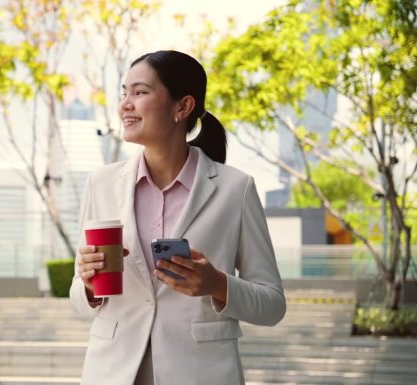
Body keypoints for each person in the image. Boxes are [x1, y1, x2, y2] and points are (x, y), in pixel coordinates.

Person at [69, 50, 286, 385]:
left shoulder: (235, 189)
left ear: (182, 107)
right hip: (113, 372)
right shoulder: (101, 184)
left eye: (140, 92)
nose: (126, 103)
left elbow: (272, 305)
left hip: (201, 373)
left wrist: (217, 284)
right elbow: (80, 304)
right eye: (124, 93)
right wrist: (87, 285)